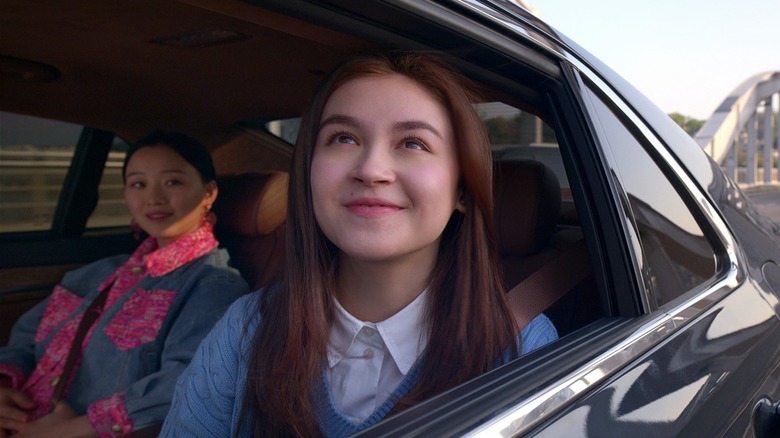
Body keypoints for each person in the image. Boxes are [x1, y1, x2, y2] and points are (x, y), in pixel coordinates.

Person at [162, 52, 557, 437]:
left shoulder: (521, 347)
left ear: (463, 189)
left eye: (413, 143)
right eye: (343, 138)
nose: (370, 169)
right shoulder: (246, 330)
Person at [0, 131, 249, 437]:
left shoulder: (215, 285)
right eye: (138, 184)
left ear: (208, 192)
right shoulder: (99, 273)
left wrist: (72, 429)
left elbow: (186, 382)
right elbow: (27, 335)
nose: (153, 198)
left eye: (172, 182)